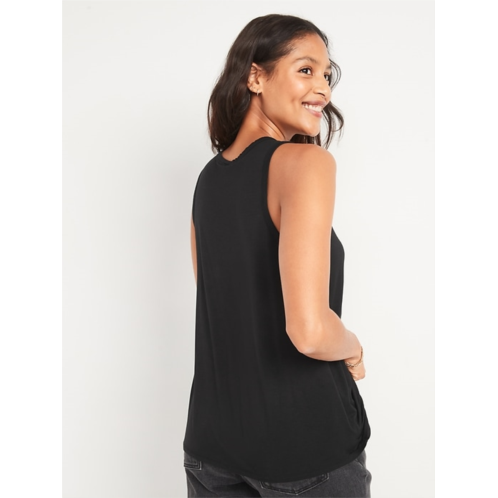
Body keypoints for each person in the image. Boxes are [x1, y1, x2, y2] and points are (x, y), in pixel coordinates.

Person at [183, 14, 372, 498]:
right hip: (303, 449)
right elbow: (309, 332)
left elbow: (223, 310)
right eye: (306, 70)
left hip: (211, 449)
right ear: (255, 76)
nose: (323, 88)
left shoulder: (208, 178)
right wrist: (352, 345)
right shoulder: (305, 163)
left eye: (327, 75)